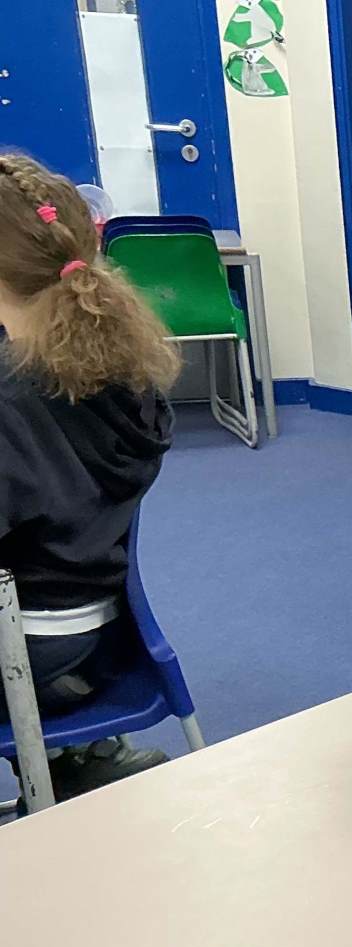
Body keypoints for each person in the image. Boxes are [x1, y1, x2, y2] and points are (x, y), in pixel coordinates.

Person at [0, 153, 177, 796]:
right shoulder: (117, 367)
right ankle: (70, 765)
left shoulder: (11, 396)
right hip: (102, 634)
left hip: (26, 653)